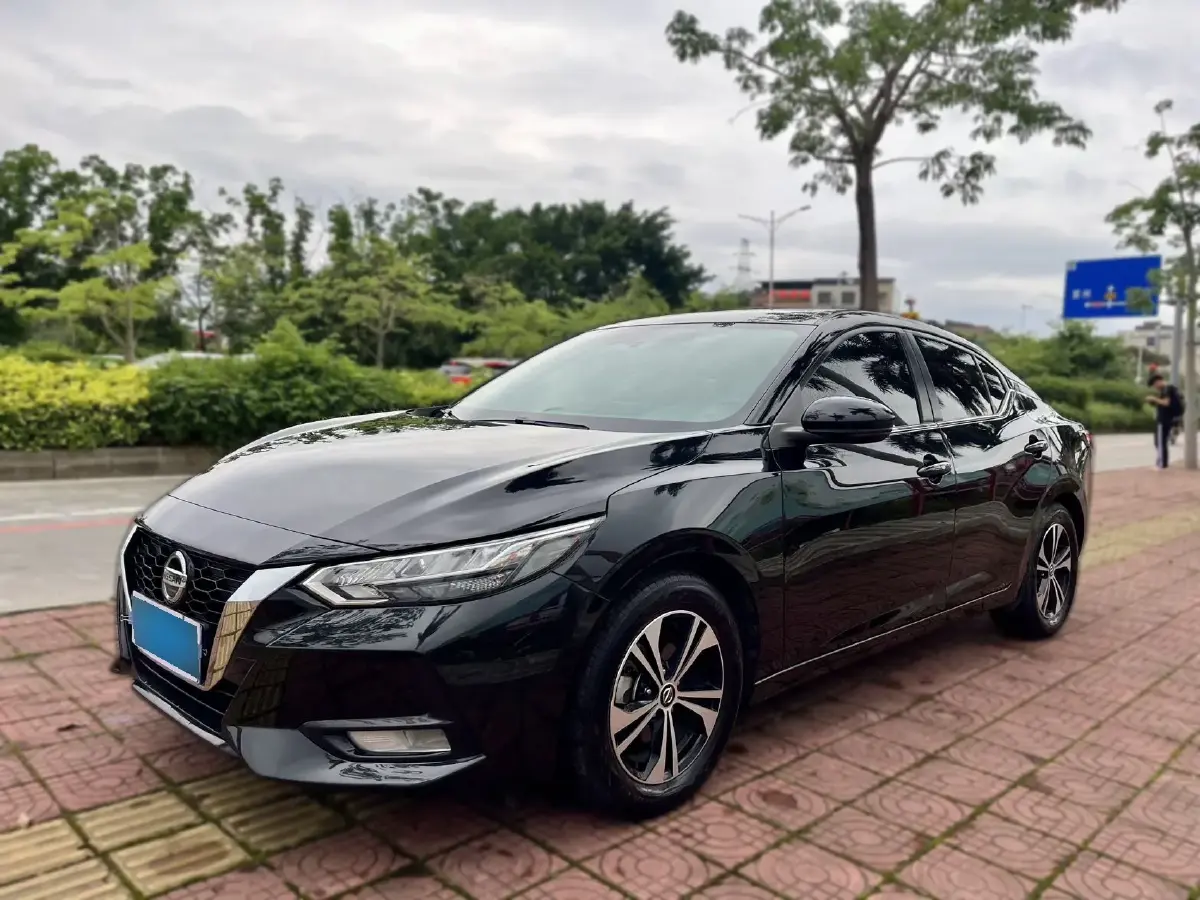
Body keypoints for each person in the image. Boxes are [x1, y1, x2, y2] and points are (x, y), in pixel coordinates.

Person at [1146, 373, 1183, 468]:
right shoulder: (1170, 389)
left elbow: (1166, 403)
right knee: (1160, 441)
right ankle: (1162, 462)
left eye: (1155, 385)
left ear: (1158, 382)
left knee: (1160, 442)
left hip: (1164, 420)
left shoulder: (1167, 389)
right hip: (1168, 419)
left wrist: (1154, 399)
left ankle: (1162, 463)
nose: (1155, 387)